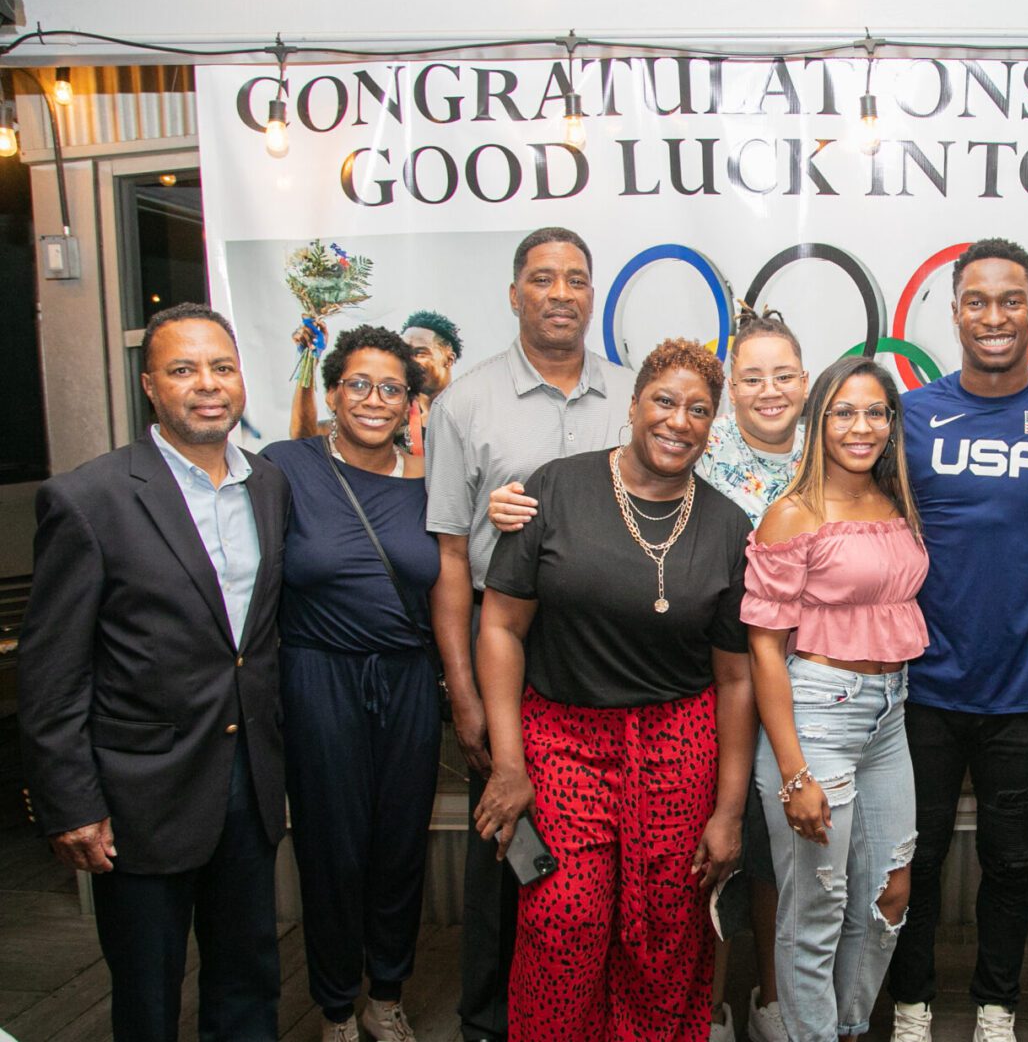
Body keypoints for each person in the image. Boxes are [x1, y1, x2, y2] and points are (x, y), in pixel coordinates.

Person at [488, 302, 809, 1042]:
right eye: (664, 401)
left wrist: (728, 812)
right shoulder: (556, 490)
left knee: (665, 932)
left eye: (699, 409)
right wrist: (509, 763)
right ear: (633, 406)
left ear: (713, 423)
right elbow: (501, 625)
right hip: (565, 738)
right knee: (564, 921)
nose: (678, 420)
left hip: (678, 745)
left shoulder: (730, 526)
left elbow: (735, 680)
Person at [18, 303, 290, 1042]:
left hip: (247, 781)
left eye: (222, 367)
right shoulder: (89, 499)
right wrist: (70, 803)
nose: (208, 385)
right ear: (149, 385)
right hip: (141, 795)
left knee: (249, 976)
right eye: (183, 369)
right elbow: (50, 673)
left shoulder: (267, 486)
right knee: (148, 991)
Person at [425, 226, 635, 1042]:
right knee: (508, 847)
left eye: (576, 279)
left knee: (596, 862)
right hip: (506, 642)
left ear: (592, 295)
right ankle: (489, 1022)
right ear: (514, 294)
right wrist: (465, 692)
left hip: (612, 651)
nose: (559, 293)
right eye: (541, 278)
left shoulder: (631, 396)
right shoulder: (463, 404)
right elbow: (449, 562)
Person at [889, 238, 1028, 1042]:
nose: (995, 316)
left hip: (1026, 694)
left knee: (1012, 865)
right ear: (955, 314)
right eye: (978, 301)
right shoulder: (913, 415)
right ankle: (910, 1006)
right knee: (921, 860)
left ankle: (996, 1008)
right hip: (923, 691)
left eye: (1012, 300)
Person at [262, 326, 441, 1042]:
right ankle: (336, 1005)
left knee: (400, 844)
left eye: (391, 387)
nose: (374, 400)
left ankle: (386, 996)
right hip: (318, 676)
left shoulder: (433, 479)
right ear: (333, 392)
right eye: (358, 385)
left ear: (411, 402)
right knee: (332, 849)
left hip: (408, 681)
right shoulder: (285, 467)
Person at [745, 356, 929, 1042]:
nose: (861, 426)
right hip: (818, 713)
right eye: (843, 412)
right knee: (816, 911)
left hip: (890, 714)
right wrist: (794, 772)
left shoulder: (894, 501)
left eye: (875, 412)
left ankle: (846, 1028)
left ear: (891, 422)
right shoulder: (793, 514)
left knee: (888, 897)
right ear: (817, 422)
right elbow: (765, 646)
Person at [401, 308, 462, 453]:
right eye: (404, 353)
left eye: (420, 353)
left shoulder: (470, 414)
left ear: (449, 359)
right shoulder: (395, 417)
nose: (409, 361)